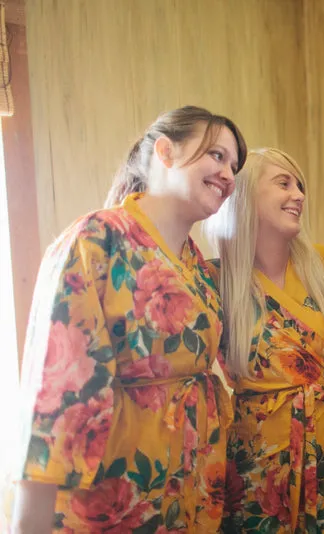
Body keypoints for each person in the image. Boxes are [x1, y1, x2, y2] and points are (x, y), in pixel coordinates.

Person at [12, 105, 247, 532]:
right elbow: (57, 397)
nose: (229, 174)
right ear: (166, 151)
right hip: (116, 495)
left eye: (234, 165)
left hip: (192, 491)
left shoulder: (197, 265)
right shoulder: (96, 239)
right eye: (216, 155)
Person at [205, 148, 324, 533]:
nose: (299, 195)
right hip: (257, 455)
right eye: (284, 183)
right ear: (246, 194)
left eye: (300, 185)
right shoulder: (215, 279)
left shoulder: (322, 264)